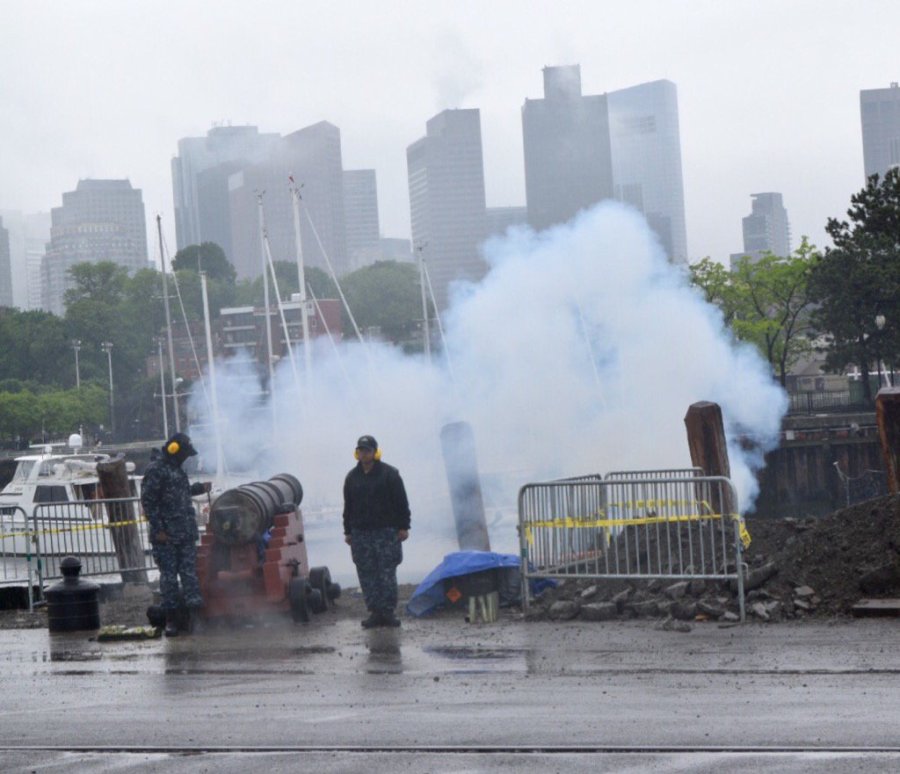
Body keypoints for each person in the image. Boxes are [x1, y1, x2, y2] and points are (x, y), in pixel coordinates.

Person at [140, 432, 209, 636]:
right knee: (169, 579)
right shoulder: (156, 470)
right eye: (184, 454)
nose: (186, 458)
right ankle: (171, 620)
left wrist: (199, 488)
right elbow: (149, 502)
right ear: (174, 450)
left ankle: (195, 617)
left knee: (189, 575)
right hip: (167, 536)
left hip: (185, 533)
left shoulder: (177, 470)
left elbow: (181, 493)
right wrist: (159, 529)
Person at [343, 435, 410, 628]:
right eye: (361, 450)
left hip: (386, 532)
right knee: (366, 573)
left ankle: (388, 612)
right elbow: (348, 507)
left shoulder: (390, 474)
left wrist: (403, 526)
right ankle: (375, 612)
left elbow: (401, 502)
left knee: (386, 572)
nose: (364, 454)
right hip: (361, 533)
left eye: (367, 450)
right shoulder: (351, 477)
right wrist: (348, 531)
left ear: (375, 452)